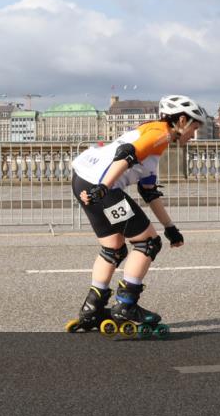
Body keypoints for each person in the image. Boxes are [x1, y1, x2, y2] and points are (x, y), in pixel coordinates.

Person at [65, 95, 207, 335]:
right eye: (194, 127)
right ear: (182, 120)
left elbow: (149, 192)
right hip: (102, 187)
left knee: (113, 249)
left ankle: (92, 308)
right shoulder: (160, 133)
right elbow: (126, 153)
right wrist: (104, 188)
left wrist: (170, 227)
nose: (193, 135)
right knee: (148, 243)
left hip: (82, 181)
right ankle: (126, 305)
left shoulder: (152, 136)